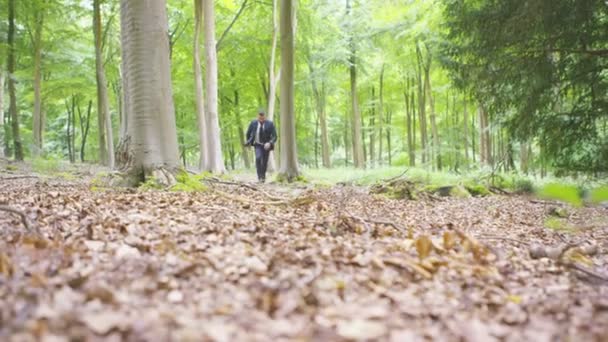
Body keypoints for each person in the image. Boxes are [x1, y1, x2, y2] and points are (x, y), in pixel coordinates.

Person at [245, 109, 277, 183]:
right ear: (258, 117)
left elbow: (274, 136)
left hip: (266, 145)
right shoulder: (253, 123)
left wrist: (270, 143)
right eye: (260, 118)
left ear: (265, 117)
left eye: (262, 118)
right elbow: (248, 134)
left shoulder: (270, 124)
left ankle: (263, 177)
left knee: (264, 162)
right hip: (257, 144)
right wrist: (249, 143)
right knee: (258, 158)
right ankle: (259, 177)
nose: (261, 120)